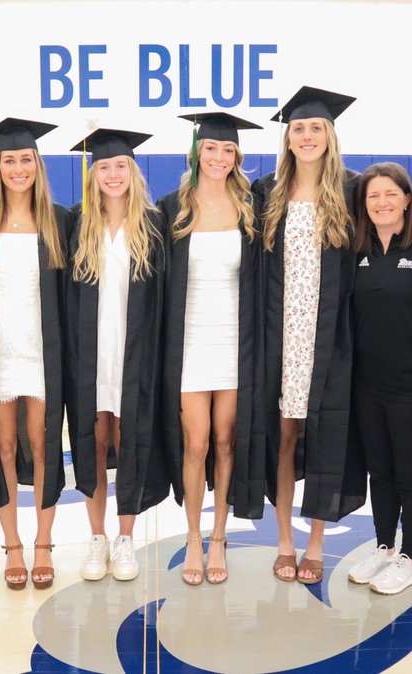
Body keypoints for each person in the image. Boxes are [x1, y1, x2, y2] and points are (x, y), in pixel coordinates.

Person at [254, 86, 365, 585]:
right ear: (288, 138)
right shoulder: (266, 194)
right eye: (298, 128)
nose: (306, 135)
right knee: (283, 438)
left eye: (315, 127)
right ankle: (283, 540)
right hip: (280, 339)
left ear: (330, 134)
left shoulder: (354, 191)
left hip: (331, 338)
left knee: (326, 440)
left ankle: (316, 542)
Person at [0, 118, 72, 591]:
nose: (18, 167)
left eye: (26, 159)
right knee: (2, 446)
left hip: (43, 354)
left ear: (38, 164)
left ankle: (44, 542)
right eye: (9, 159)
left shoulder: (60, 219)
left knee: (44, 444)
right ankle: (12, 544)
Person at [158, 111, 263, 586]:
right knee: (195, 443)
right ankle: (194, 537)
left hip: (235, 344)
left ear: (236, 156)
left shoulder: (251, 211)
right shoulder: (171, 210)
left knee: (225, 441)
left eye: (227, 150)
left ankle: (220, 536)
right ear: (197, 153)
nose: (219, 157)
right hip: (190, 344)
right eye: (211, 148)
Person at [65, 128, 169, 582]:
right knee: (94, 443)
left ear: (133, 171)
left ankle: (126, 538)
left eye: (120, 166)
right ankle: (97, 539)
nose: (112, 174)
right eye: (104, 166)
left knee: (130, 444)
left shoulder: (153, 224)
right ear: (93, 175)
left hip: (135, 356)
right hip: (91, 357)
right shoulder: (76, 226)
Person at [344, 163, 412, 595]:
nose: (382, 202)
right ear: (364, 204)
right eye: (373, 196)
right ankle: (385, 547)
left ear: (406, 198)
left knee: (411, 473)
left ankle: (410, 556)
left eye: (390, 194)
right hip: (367, 384)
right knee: (379, 473)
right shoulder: (356, 250)